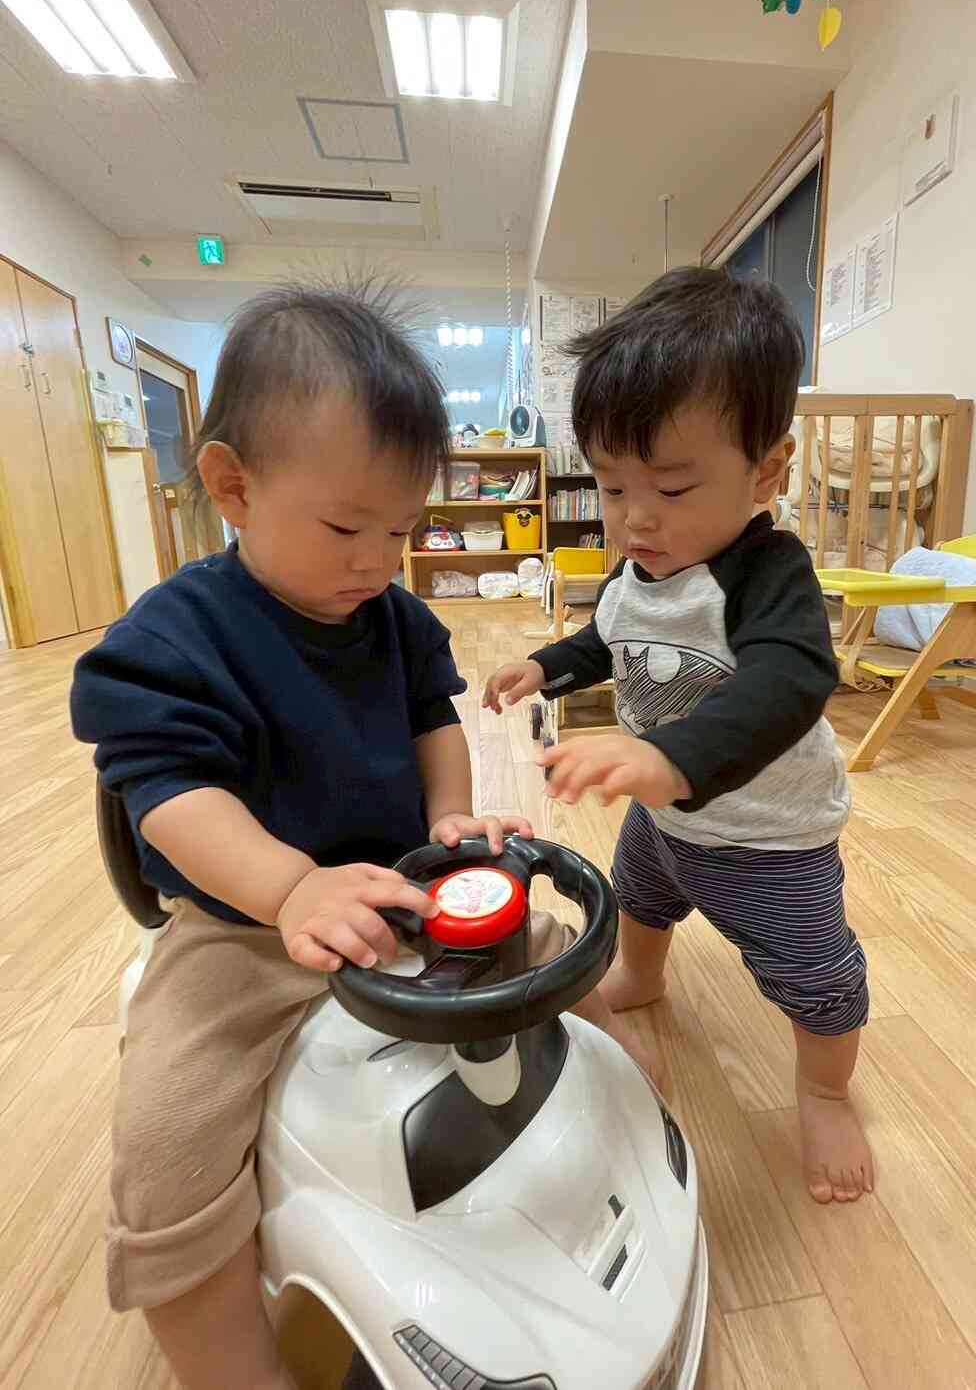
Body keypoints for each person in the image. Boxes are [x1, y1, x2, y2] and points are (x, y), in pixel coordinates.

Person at [71, 281, 631, 1390]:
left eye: (401, 530)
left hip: (404, 888)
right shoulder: (174, 637)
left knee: (561, 966)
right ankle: (232, 1364)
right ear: (232, 484)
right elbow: (169, 793)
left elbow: (434, 721)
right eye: (345, 527)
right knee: (170, 1133)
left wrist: (449, 818)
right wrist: (288, 889)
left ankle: (611, 1131)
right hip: (244, 930)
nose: (377, 560)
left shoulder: (397, 618)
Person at [484, 268, 872, 1206]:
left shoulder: (765, 573)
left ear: (765, 473)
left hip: (768, 840)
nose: (636, 516)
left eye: (670, 485)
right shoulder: (638, 569)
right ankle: (642, 978)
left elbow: (792, 679)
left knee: (818, 980)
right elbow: (608, 637)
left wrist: (669, 757)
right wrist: (546, 665)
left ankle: (825, 1092)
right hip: (665, 821)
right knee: (640, 903)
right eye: (613, 485)